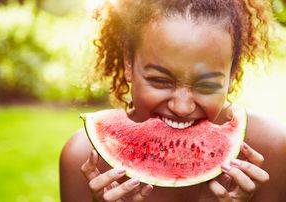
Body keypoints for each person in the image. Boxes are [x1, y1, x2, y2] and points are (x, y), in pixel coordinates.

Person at [60, 0, 286, 201]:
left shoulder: (271, 151)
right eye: (160, 81)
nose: (182, 107)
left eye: (206, 85)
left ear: (232, 75)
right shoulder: (82, 159)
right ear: (129, 64)